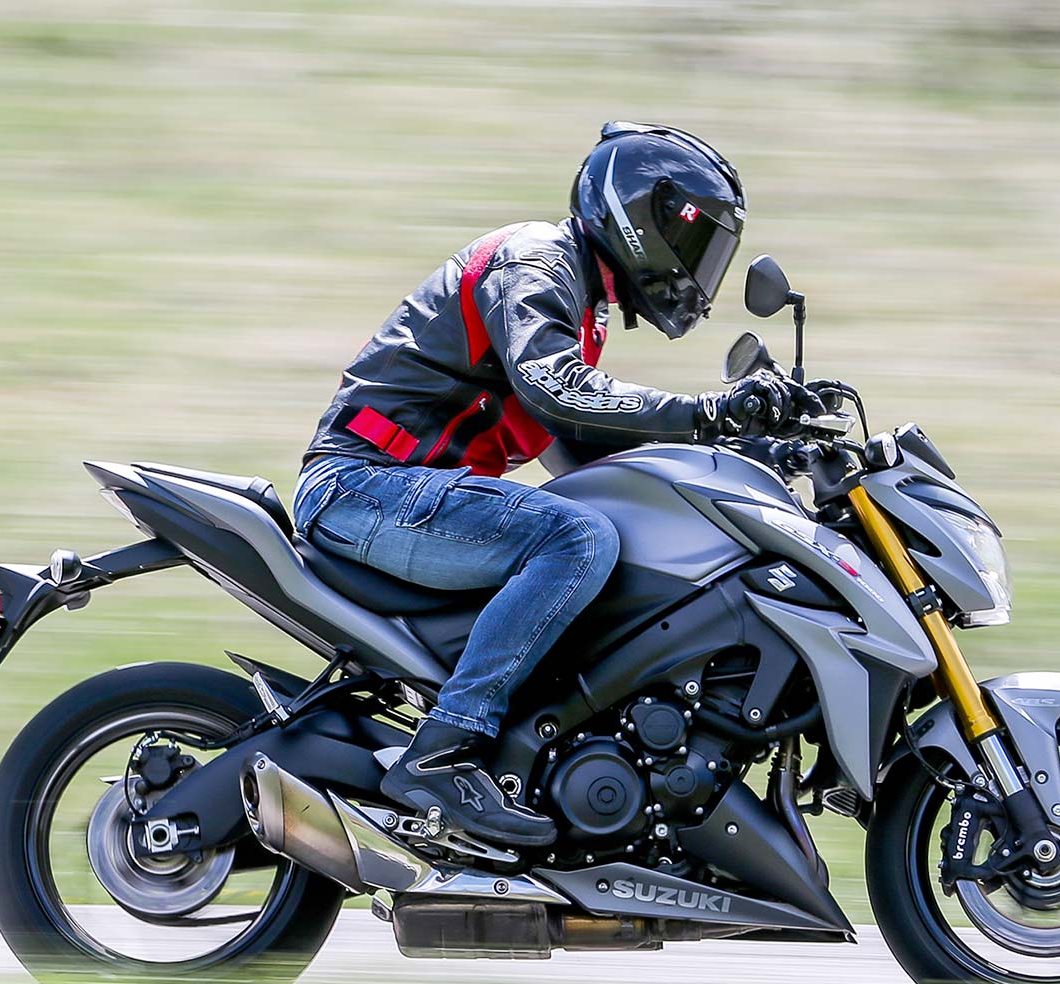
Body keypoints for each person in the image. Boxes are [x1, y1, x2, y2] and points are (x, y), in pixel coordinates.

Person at [293, 122, 819, 846]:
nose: (699, 267)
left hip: (407, 496)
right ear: (641, 220)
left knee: (618, 530)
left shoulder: (580, 304)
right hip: (363, 486)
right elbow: (558, 389)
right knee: (578, 539)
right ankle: (445, 751)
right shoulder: (536, 264)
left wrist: (743, 449)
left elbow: (585, 450)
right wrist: (702, 412)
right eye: (694, 240)